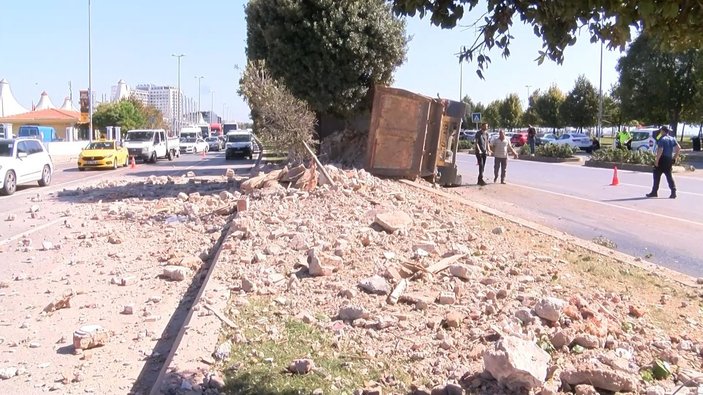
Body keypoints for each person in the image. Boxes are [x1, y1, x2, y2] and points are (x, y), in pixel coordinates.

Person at [646, 126, 680, 199]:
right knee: (669, 175)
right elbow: (678, 148)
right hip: (669, 159)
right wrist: (674, 157)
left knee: (656, 175)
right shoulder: (672, 138)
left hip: (662, 159)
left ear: (662, 131)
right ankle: (673, 192)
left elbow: (660, 150)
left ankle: (654, 192)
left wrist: (657, 160)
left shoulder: (662, 139)